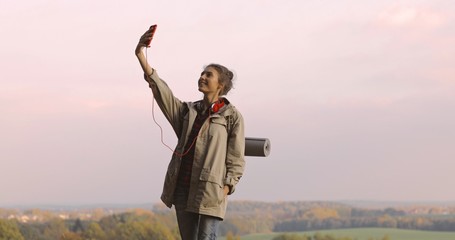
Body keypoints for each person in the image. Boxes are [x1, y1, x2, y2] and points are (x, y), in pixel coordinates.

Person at [135, 26, 246, 240]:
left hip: (210, 193)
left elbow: (236, 159)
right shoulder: (188, 112)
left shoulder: (232, 117)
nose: (202, 77)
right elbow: (161, 90)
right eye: (202, 73)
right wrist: (140, 53)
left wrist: (225, 188)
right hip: (182, 189)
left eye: (209, 75)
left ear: (220, 85)